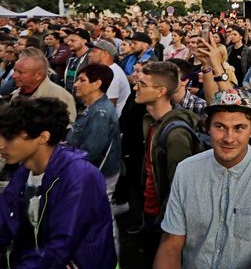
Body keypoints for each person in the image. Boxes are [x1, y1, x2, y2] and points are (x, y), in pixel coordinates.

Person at [155, 88, 251, 269]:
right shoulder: (186, 171)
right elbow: (171, 244)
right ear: (208, 128)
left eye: (239, 128)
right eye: (220, 127)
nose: (229, 138)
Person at [0, 98, 117, 267]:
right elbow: (5, 218)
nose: (1, 145)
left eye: (9, 137)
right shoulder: (25, 171)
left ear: (42, 137)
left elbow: (61, 245)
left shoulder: (80, 176)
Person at [135, 61, 202, 267]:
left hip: (163, 219)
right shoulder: (152, 121)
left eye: (143, 84)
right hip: (150, 211)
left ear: (160, 91)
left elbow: (179, 188)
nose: (136, 87)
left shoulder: (175, 134)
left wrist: (165, 223)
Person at [67, 63, 122, 252]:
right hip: (94, 174)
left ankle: (110, 256)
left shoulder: (100, 113)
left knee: (103, 216)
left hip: (99, 175)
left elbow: (90, 152)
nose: (76, 84)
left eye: (82, 80)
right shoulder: (93, 108)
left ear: (97, 84)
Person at [10, 47, 77, 123]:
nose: (14, 76)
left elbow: (67, 128)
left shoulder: (60, 97)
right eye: (14, 70)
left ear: (38, 75)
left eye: (20, 72)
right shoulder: (16, 94)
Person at [88, 39, 130, 118]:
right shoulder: (107, 70)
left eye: (93, 52)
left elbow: (108, 106)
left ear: (105, 54)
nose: (89, 54)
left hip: (110, 121)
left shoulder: (113, 73)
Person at [64, 28, 91, 95]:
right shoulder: (71, 57)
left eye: (73, 40)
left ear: (84, 41)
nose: (68, 43)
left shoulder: (91, 57)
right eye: (68, 40)